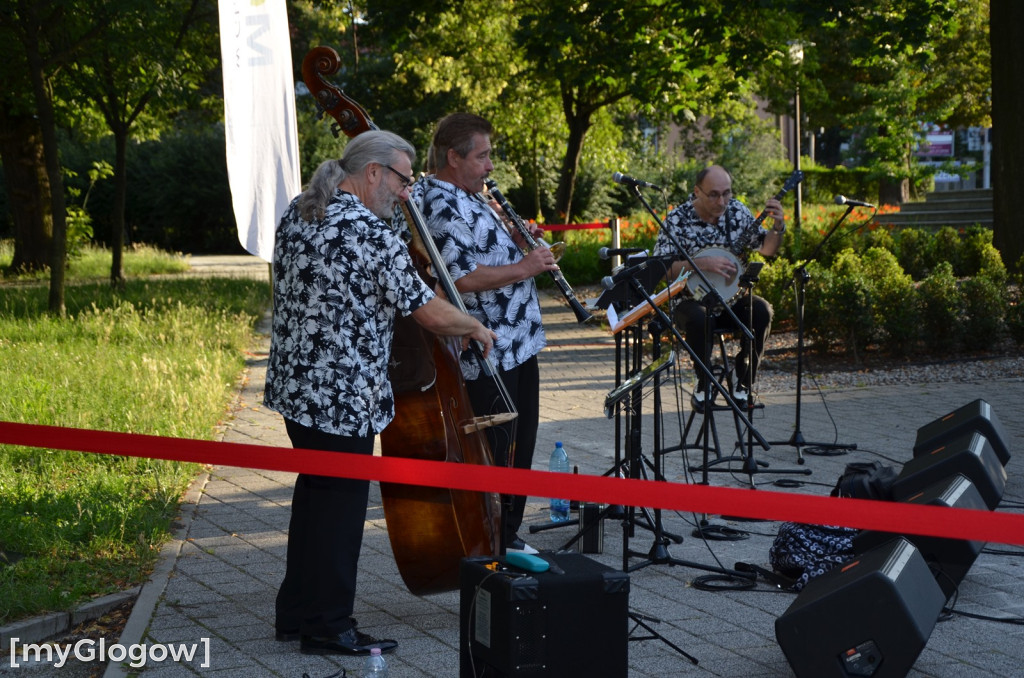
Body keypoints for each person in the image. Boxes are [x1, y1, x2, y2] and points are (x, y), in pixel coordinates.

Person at [264, 131, 496, 657]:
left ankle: (296, 611)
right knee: (340, 513)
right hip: (342, 397)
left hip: (298, 390)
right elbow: (427, 310)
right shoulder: (368, 232)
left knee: (315, 498)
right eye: (402, 179)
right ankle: (328, 625)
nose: (406, 191)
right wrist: (474, 327)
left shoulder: (300, 214)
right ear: (373, 173)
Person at [400, 112, 558, 555]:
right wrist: (525, 266)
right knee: (499, 450)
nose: (490, 166)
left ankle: (506, 535)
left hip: (517, 344)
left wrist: (512, 238)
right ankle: (491, 541)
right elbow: (461, 277)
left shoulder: (468, 195)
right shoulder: (439, 200)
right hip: (488, 349)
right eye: (482, 156)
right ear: (453, 156)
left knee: (519, 446)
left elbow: (479, 251)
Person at [653, 164, 785, 411]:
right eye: (714, 194)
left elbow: (766, 249)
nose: (722, 201)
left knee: (762, 311)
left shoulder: (736, 212)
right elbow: (662, 270)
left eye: (727, 193)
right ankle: (704, 381)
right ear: (697, 192)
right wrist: (700, 264)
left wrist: (777, 227)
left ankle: (742, 379)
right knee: (699, 319)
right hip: (689, 301)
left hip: (732, 298)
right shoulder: (677, 220)